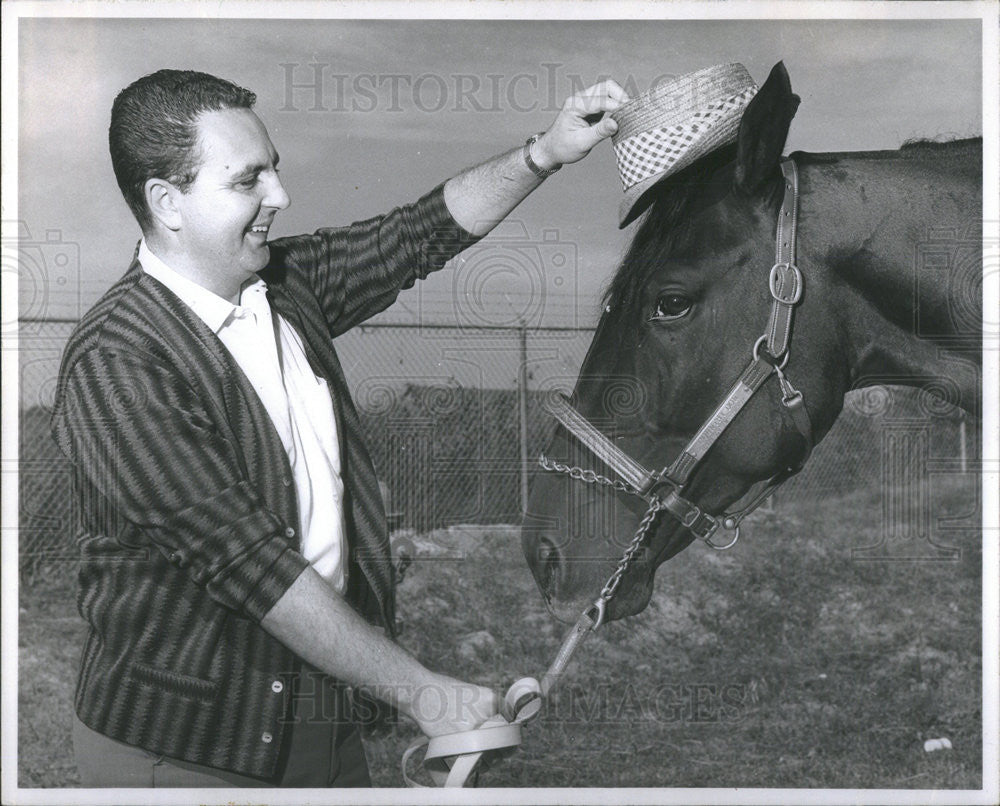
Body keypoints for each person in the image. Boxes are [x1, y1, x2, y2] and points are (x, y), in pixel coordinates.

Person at [50, 68, 627, 788]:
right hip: (184, 753)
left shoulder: (286, 288)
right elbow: (250, 566)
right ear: (167, 202)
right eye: (247, 180)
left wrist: (545, 152)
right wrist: (427, 693)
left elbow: (416, 235)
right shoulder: (117, 360)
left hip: (321, 725)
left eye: (276, 171)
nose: (280, 197)